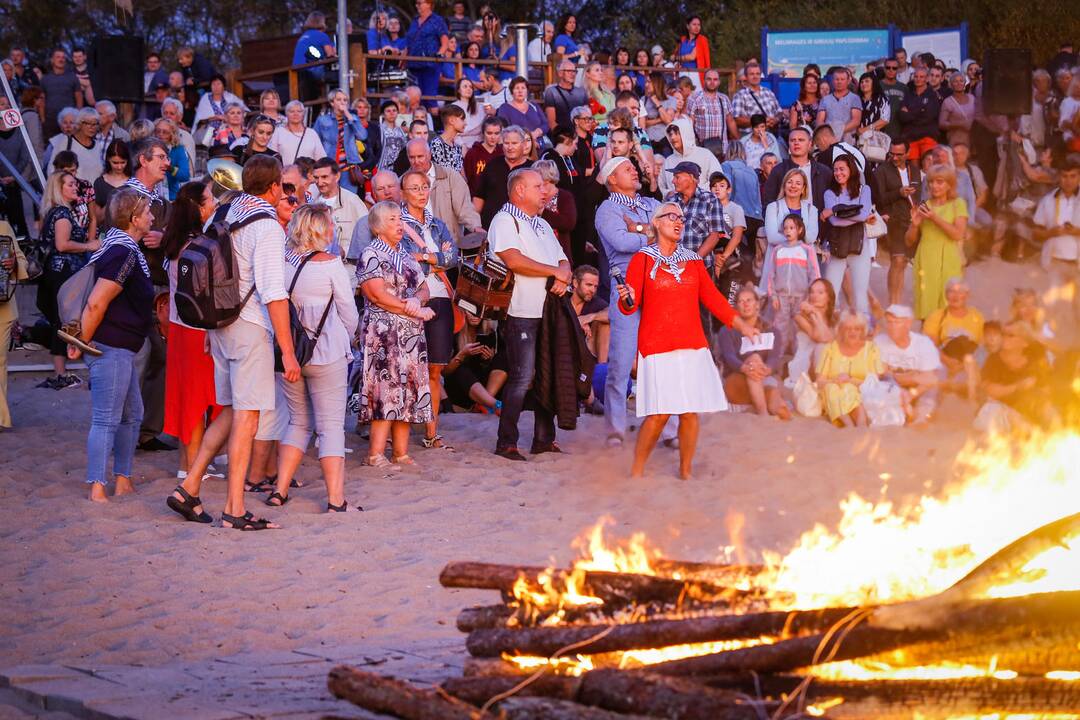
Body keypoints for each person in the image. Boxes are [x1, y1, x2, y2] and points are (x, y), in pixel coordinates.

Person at [167, 155, 298, 530]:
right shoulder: (268, 225)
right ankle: (235, 507)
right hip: (249, 326)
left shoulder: (225, 211)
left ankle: (188, 487)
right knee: (246, 416)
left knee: (228, 410)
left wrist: (210, 333)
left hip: (219, 324)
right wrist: (287, 351)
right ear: (274, 187)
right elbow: (274, 293)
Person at [616, 202, 753, 478]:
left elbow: (713, 298)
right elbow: (631, 305)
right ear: (656, 222)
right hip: (657, 345)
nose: (678, 221)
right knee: (659, 414)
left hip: (692, 345)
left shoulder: (692, 260)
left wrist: (740, 324)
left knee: (690, 412)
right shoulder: (642, 259)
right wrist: (626, 298)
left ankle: (686, 472)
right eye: (671, 217)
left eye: (681, 217)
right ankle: (637, 470)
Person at [261, 204, 359, 510]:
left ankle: (280, 490)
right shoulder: (330, 265)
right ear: (319, 230)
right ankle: (335, 499)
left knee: (298, 422)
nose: (333, 231)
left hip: (288, 352)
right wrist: (348, 337)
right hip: (327, 351)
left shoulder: (282, 262)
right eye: (329, 226)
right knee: (330, 427)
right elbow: (349, 314)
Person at [63, 190, 154, 502]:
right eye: (148, 213)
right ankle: (98, 486)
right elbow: (96, 303)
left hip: (120, 346)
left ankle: (123, 478)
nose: (152, 217)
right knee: (108, 418)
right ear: (134, 219)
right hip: (111, 346)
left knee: (132, 414)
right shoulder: (122, 253)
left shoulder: (118, 248)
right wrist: (80, 341)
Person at [490, 168, 571, 461]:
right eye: (538, 186)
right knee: (523, 377)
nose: (545, 191)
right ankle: (506, 441)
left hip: (547, 308)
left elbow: (562, 258)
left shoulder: (541, 224)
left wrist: (564, 276)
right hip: (521, 308)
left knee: (545, 375)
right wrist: (556, 273)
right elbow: (513, 260)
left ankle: (543, 439)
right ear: (520, 190)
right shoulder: (505, 219)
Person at [357, 201, 436, 467]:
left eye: (400, 219)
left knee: (408, 389)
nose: (400, 224)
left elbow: (425, 289)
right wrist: (411, 308)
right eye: (392, 220)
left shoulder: (405, 253)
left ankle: (400, 452)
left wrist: (416, 300)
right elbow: (376, 294)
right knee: (386, 390)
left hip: (410, 333)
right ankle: (375, 453)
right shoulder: (371, 254)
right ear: (378, 226)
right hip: (384, 334)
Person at [595, 156, 663, 446]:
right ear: (612, 178)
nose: (634, 170)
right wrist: (651, 233)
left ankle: (666, 428)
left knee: (660, 359)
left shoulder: (651, 203)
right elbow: (621, 243)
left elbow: (674, 232)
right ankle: (616, 429)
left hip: (658, 283)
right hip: (628, 286)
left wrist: (637, 229)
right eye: (627, 168)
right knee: (621, 360)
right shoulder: (607, 209)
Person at [161, 181, 222, 481]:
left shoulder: (175, 241)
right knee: (198, 401)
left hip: (178, 327)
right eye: (209, 199)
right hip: (196, 329)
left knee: (188, 398)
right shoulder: (196, 245)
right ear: (197, 207)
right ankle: (191, 466)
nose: (214, 203)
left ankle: (189, 462)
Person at [398, 169, 459, 451]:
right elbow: (403, 262)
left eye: (424, 187)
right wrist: (435, 260)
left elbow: (452, 257)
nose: (421, 192)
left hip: (440, 297)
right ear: (403, 192)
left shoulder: (438, 223)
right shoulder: (397, 223)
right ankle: (397, 429)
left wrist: (424, 257)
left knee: (435, 367)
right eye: (415, 188)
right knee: (406, 367)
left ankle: (431, 432)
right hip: (411, 299)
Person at [36, 171, 100, 390]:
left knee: (61, 320)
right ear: (59, 188)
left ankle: (61, 372)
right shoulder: (62, 214)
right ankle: (61, 374)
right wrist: (89, 246)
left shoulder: (57, 212)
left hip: (57, 273)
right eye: (71, 185)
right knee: (63, 321)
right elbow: (62, 245)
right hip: (63, 273)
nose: (76, 188)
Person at [717, 285, 790, 419]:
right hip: (737, 382)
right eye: (741, 301)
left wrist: (767, 369)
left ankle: (779, 416)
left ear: (757, 304)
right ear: (736, 307)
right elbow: (729, 358)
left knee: (776, 399)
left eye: (749, 300)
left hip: (763, 379)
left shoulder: (772, 331)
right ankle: (763, 414)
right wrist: (745, 368)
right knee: (754, 358)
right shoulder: (727, 331)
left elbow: (774, 358)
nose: (745, 305)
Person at [906, 164, 968, 320]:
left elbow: (958, 234)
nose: (934, 186)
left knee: (950, 306)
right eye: (931, 182)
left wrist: (934, 218)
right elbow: (908, 241)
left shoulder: (958, 204)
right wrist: (914, 225)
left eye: (939, 182)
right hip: (926, 259)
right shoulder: (924, 206)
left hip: (950, 258)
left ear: (949, 184)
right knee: (927, 309)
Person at [1031, 157, 1080, 347]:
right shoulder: (1048, 200)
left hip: (1077, 263)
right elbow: (1035, 232)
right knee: (1053, 309)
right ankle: (1056, 349)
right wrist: (1052, 232)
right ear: (1059, 176)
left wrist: (1076, 231)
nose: (1068, 180)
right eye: (1065, 176)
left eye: (1073, 176)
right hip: (1055, 263)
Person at [760, 213, 821, 354]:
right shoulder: (778, 250)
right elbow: (771, 276)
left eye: (792, 228)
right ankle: (778, 359)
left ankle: (798, 361)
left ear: (799, 230)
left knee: (798, 329)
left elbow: (814, 275)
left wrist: (810, 298)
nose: (788, 231)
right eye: (785, 228)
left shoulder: (807, 250)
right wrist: (773, 296)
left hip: (802, 298)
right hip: (781, 299)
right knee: (779, 328)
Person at [822, 155, 875, 317]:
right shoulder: (829, 193)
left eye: (842, 169)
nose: (838, 173)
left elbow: (864, 214)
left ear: (851, 170)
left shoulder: (864, 190)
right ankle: (831, 328)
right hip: (838, 245)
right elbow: (835, 222)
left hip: (860, 246)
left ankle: (863, 329)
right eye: (835, 170)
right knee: (831, 291)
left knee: (860, 292)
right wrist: (853, 212)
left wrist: (836, 210)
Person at [873, 303, 943, 424]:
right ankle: (903, 413)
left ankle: (921, 416)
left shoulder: (923, 344)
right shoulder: (879, 342)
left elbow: (930, 379)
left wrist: (910, 395)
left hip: (918, 389)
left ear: (908, 324)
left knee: (932, 389)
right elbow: (879, 374)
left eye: (897, 322)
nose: (892, 326)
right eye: (889, 322)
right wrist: (914, 376)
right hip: (893, 387)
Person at [815, 310, 883, 427]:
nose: (852, 332)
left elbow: (874, 383)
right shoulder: (830, 349)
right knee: (831, 388)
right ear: (840, 330)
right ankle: (849, 425)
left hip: (862, 396)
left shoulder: (872, 349)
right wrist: (836, 381)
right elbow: (820, 382)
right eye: (848, 328)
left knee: (849, 388)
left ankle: (858, 423)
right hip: (832, 396)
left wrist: (850, 380)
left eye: (857, 329)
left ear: (863, 331)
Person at [873, 138, 920, 305]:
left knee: (905, 261)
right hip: (895, 220)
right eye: (892, 154)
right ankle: (894, 303)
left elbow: (919, 195)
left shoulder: (914, 170)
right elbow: (878, 198)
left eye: (899, 154)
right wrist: (898, 193)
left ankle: (898, 301)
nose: (894, 158)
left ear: (908, 153)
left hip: (914, 220)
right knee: (898, 260)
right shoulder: (882, 171)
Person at [763, 126, 832, 212]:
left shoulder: (824, 171)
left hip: (817, 222)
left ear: (810, 144)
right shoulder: (778, 170)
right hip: (786, 223)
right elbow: (768, 202)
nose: (796, 143)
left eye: (801, 140)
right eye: (792, 140)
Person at [475, 125, 532, 227]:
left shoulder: (532, 169)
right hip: (490, 226)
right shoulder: (492, 165)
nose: (510, 147)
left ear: (523, 145)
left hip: (522, 227)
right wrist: (475, 225)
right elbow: (479, 197)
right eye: (506, 143)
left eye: (514, 143)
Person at [313, 89, 367, 194]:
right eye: (339, 99)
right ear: (332, 102)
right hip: (329, 167)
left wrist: (348, 114)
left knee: (347, 200)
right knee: (329, 199)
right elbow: (315, 141)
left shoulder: (352, 118)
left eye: (345, 100)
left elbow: (362, 135)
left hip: (349, 168)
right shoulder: (322, 120)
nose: (343, 102)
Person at [310, 158, 368, 256]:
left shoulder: (353, 201)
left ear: (337, 176)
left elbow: (366, 235)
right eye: (316, 178)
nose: (319, 183)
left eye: (324, 177)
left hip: (347, 267)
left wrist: (344, 251)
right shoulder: (312, 205)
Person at [347, 170, 400, 264]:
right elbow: (361, 262)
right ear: (374, 195)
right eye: (380, 189)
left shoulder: (413, 215)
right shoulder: (364, 223)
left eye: (390, 186)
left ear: (399, 189)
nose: (387, 192)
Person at [659, 118, 721, 196]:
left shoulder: (705, 154)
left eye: (677, 133)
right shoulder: (668, 161)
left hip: (703, 202)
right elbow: (662, 185)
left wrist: (695, 192)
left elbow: (717, 179)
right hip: (676, 205)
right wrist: (668, 193)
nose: (673, 138)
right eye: (670, 134)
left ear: (686, 134)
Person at [406, 0, 450, 107]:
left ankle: (431, 122)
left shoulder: (437, 20)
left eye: (420, 3)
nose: (417, 6)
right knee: (415, 98)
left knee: (429, 98)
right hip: (413, 65)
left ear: (429, 4)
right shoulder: (414, 21)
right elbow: (409, 43)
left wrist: (439, 55)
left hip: (430, 65)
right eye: (416, 3)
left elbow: (445, 42)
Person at [688, 69, 738, 156]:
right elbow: (689, 124)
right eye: (709, 79)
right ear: (704, 81)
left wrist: (737, 140)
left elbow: (730, 121)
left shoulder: (724, 99)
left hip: (722, 149)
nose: (712, 82)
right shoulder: (694, 98)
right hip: (701, 148)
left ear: (719, 82)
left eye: (715, 79)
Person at [764, 168, 820, 248]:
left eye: (798, 183)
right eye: (790, 182)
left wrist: (788, 237)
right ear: (784, 185)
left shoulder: (811, 210)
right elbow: (772, 237)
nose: (793, 186)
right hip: (778, 257)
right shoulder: (773, 207)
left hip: (803, 257)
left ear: (803, 188)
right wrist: (798, 237)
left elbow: (811, 238)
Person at [46, 107, 102, 182]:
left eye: (95, 124)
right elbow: (52, 169)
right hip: (72, 191)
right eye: (88, 123)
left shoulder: (98, 145)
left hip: (93, 192)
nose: (92, 127)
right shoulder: (66, 142)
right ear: (79, 124)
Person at [569, 264, 609, 363]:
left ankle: (602, 370)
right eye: (589, 285)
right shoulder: (563, 299)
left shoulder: (596, 303)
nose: (593, 290)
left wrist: (591, 317)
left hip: (586, 354)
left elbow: (614, 315)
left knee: (604, 323)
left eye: (595, 286)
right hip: (563, 350)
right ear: (575, 283)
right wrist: (576, 322)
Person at [899, 68, 941, 163]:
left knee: (929, 165)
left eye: (921, 77)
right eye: (916, 76)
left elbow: (929, 116)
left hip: (927, 136)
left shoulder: (933, 95)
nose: (918, 79)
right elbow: (902, 116)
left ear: (926, 79)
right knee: (913, 168)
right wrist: (920, 111)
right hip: (910, 136)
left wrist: (910, 113)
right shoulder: (908, 95)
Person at [293, 11, 337, 101]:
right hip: (311, 71)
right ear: (322, 22)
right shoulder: (322, 36)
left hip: (297, 72)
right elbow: (331, 54)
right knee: (340, 75)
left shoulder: (303, 36)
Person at [192, 75, 246, 147]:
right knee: (210, 144)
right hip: (210, 128)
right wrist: (219, 117)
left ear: (223, 86)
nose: (216, 87)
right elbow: (201, 118)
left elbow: (243, 109)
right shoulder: (206, 98)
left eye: (218, 84)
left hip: (230, 128)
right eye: (213, 84)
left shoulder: (229, 97)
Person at [41, 49, 83, 137]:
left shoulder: (72, 77)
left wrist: (78, 116)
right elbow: (42, 100)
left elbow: (79, 97)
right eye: (58, 57)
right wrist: (43, 119)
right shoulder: (45, 79)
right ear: (52, 60)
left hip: (69, 121)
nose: (61, 59)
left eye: (63, 57)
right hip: (50, 121)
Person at [733, 63, 783, 135]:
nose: (755, 76)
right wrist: (761, 121)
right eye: (752, 74)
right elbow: (737, 120)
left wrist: (776, 119)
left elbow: (780, 113)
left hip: (770, 135)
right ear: (746, 77)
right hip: (751, 137)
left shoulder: (769, 92)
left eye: (757, 74)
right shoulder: (740, 95)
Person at [816, 68, 862, 142]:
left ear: (848, 81)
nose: (839, 82)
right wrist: (828, 133)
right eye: (837, 79)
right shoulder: (825, 99)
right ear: (833, 81)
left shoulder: (854, 98)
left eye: (842, 79)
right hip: (828, 140)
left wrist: (837, 131)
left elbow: (856, 121)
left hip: (848, 140)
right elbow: (820, 120)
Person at [497, 76, 550, 142]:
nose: (520, 91)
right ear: (512, 91)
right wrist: (528, 139)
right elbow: (504, 130)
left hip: (540, 143)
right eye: (517, 88)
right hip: (517, 144)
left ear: (527, 91)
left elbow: (546, 124)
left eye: (523, 88)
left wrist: (536, 133)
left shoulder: (534, 106)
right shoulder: (504, 108)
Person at [93, 140, 131, 227]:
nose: (119, 167)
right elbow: (96, 219)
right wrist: (112, 202)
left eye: (123, 162)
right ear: (108, 160)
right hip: (107, 233)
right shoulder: (100, 183)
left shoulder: (134, 181)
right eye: (115, 163)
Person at [545, 60, 588, 130]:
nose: (573, 74)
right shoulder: (551, 92)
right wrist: (563, 136)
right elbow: (551, 122)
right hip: (561, 135)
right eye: (569, 71)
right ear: (560, 73)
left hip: (580, 134)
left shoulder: (581, 92)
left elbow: (586, 116)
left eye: (574, 71)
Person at [154, 119, 191, 201]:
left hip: (171, 197)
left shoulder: (178, 150)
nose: (160, 135)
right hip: (152, 196)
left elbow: (185, 176)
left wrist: (170, 168)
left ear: (172, 134)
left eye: (165, 132)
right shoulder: (149, 148)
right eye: (158, 131)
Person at [465, 116, 504, 191]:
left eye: (496, 133)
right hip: (476, 198)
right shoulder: (472, 153)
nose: (493, 137)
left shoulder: (503, 152)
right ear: (483, 133)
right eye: (489, 133)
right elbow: (467, 179)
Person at [939, 72, 975, 147]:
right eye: (955, 81)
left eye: (961, 81)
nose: (959, 83)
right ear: (951, 84)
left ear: (965, 83)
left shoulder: (972, 98)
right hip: (956, 139)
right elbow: (942, 123)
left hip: (974, 138)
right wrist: (960, 125)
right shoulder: (947, 102)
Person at [674, 15, 710, 88]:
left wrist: (677, 58)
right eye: (694, 24)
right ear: (688, 26)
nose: (697, 27)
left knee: (696, 96)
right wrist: (676, 61)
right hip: (682, 73)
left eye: (699, 25)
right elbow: (673, 56)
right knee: (682, 96)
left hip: (696, 74)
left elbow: (692, 57)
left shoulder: (702, 39)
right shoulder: (682, 39)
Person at [452, 78, 486, 150]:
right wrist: (462, 145)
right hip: (460, 145)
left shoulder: (479, 106)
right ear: (458, 90)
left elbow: (481, 128)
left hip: (478, 144)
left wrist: (465, 133)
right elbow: (453, 131)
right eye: (465, 86)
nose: (469, 89)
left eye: (471, 87)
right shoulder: (453, 107)